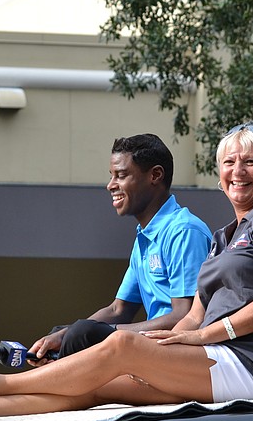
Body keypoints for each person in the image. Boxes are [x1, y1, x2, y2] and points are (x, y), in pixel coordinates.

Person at [0, 121, 253, 419]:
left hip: (251, 367)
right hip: (213, 357)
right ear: (219, 174)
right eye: (229, 162)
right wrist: (172, 339)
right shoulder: (222, 236)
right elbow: (191, 315)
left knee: (120, 345)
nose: (238, 171)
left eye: (250, 162)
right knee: (99, 385)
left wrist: (197, 337)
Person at [29, 133, 212, 360]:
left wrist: (105, 333)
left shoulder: (184, 231)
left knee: (83, 333)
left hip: (175, 355)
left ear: (155, 175)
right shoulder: (144, 236)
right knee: (67, 332)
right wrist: (67, 333)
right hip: (151, 350)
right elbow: (118, 310)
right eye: (111, 176)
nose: (110, 185)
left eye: (121, 175)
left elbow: (185, 316)